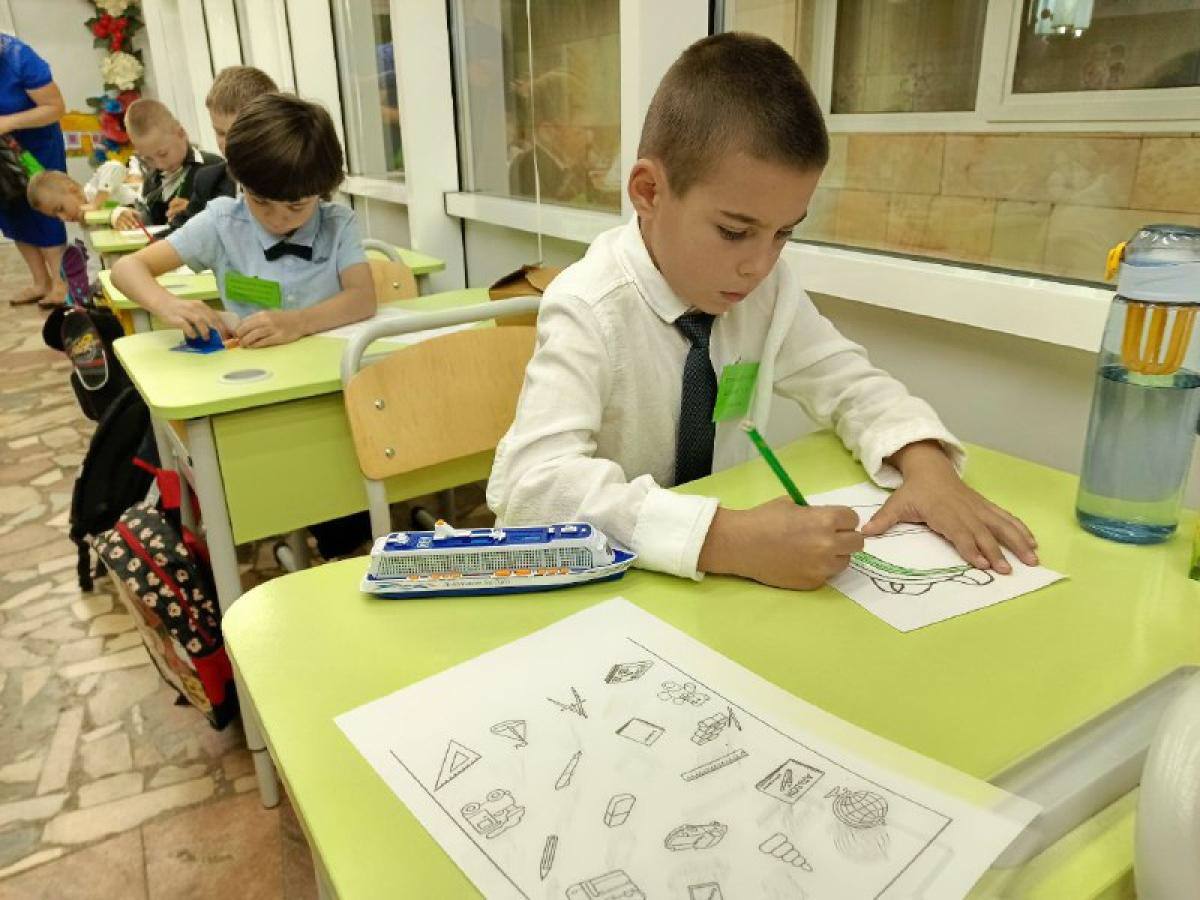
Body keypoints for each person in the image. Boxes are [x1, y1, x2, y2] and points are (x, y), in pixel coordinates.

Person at [488, 33, 1039, 591]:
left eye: (783, 233)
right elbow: (530, 489)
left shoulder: (765, 292)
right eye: (734, 231)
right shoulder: (588, 306)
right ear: (650, 192)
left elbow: (848, 382)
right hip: (616, 591)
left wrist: (926, 465)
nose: (758, 264)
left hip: (724, 591)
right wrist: (725, 538)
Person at [111, 92, 375, 350]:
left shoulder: (338, 223)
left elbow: (362, 298)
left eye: (296, 206)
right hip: (256, 371)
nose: (278, 219)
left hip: (331, 365)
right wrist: (170, 305)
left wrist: (299, 322)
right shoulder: (222, 223)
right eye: (260, 201)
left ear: (322, 190)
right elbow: (125, 269)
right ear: (240, 182)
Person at [0, 34, 67, 308]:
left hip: (36, 147)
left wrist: (8, 122)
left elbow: (55, 108)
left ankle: (61, 283)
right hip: (2, 153)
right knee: (11, 211)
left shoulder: (19, 57)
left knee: (45, 210)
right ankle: (40, 282)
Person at [170, 65, 278, 229]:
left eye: (238, 132)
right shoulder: (208, 181)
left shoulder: (298, 177)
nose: (227, 143)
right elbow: (180, 232)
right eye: (220, 133)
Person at [116, 98, 219, 230]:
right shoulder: (153, 179)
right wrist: (129, 217)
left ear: (181, 134)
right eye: (148, 159)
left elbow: (232, 223)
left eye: (163, 154)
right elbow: (149, 219)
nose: (160, 165)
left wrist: (195, 211)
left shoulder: (215, 169)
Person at [26, 164, 137, 227]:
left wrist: (96, 203)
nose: (63, 218)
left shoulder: (93, 190)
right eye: (56, 216)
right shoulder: (84, 218)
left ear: (72, 189)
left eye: (60, 209)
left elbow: (115, 167)